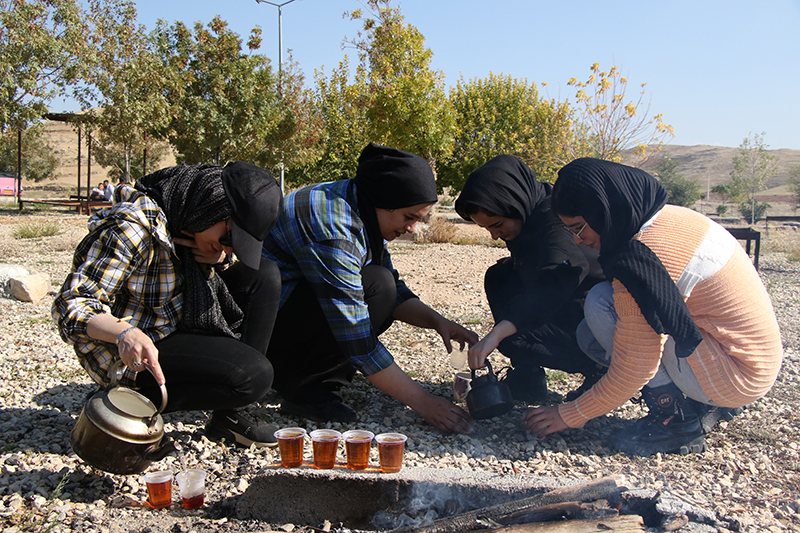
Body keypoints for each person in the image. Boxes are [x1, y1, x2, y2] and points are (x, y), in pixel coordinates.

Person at [525, 158, 783, 455]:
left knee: (601, 306)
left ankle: (675, 419)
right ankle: (699, 403)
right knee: (594, 319)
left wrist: (569, 414)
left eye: (579, 227)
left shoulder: (641, 257)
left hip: (735, 377)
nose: (579, 240)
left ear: (603, 209)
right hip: (748, 362)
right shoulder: (670, 218)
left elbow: (636, 366)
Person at [53, 162, 283, 448]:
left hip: (176, 321)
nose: (228, 248)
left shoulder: (187, 217)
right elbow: (72, 303)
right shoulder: (132, 228)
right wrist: (124, 334)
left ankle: (230, 416)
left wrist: (219, 259)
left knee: (265, 275)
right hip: (137, 347)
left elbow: (228, 267)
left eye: (235, 245)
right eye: (228, 239)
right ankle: (126, 403)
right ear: (209, 207)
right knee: (254, 375)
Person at [262, 143, 479, 434]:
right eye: (409, 217)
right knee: (377, 285)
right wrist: (424, 403)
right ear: (384, 200)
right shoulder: (332, 227)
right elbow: (356, 333)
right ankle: (305, 390)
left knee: (380, 283)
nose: (413, 228)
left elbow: (395, 290)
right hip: (268, 335)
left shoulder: (360, 203)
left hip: (297, 314)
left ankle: (305, 377)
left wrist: (438, 322)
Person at [455, 155, 605, 403]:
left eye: (497, 225)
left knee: (511, 334)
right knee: (500, 276)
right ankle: (527, 376)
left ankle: (599, 372)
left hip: (595, 320)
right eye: (487, 229)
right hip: (564, 305)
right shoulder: (528, 212)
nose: (494, 236)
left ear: (514, 203)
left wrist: (497, 334)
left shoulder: (556, 219)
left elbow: (558, 279)